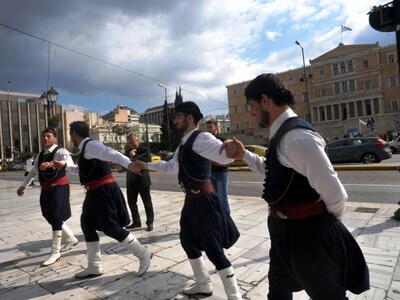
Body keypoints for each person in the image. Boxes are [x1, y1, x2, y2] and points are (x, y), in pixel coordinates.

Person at [220, 73, 370, 300]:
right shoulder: (281, 132)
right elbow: (273, 170)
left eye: (251, 105)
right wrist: (244, 154)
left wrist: (325, 230)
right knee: (279, 292)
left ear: (265, 100)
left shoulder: (297, 138)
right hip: (284, 234)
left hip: (308, 236)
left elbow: (335, 193)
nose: (251, 112)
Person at [131, 101, 242, 299]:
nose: (174, 120)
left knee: (213, 249)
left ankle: (234, 295)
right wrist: (145, 165)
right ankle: (203, 285)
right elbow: (172, 167)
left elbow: (226, 158)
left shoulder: (202, 138)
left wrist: (230, 148)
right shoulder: (185, 141)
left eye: (178, 117)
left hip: (204, 201)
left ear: (189, 118)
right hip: (191, 201)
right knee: (188, 241)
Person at [52, 121, 151, 278]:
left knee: (110, 228)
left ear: (75, 134)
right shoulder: (85, 149)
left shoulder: (90, 145)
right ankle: (94, 265)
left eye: (71, 134)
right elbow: (83, 171)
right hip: (94, 192)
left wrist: (129, 164)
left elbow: (111, 153)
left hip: (103, 191)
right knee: (87, 224)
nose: (70, 138)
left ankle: (142, 253)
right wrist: (63, 166)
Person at [16, 128, 78, 266]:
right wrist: (23, 186)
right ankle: (71, 239)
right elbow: (33, 171)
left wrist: (52, 164)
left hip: (59, 188)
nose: (45, 139)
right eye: (43, 136)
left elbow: (70, 166)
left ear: (55, 138)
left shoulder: (62, 152)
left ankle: (55, 252)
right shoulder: (41, 154)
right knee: (48, 215)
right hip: (46, 189)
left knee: (56, 217)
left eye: (48, 136)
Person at [125, 134, 154, 231]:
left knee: (147, 203)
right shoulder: (127, 151)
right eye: (129, 142)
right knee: (131, 203)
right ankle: (136, 222)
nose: (131, 144)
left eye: (132, 142)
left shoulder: (144, 150)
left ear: (138, 141)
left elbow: (148, 162)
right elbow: (125, 163)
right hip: (131, 181)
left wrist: (135, 156)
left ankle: (149, 222)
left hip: (142, 180)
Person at [206, 118, 230, 214]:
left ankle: (226, 218)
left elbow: (228, 159)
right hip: (211, 173)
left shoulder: (222, 141)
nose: (209, 129)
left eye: (211, 127)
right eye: (207, 127)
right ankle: (219, 216)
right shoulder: (207, 143)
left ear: (215, 127)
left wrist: (212, 162)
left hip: (221, 173)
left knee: (222, 195)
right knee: (214, 195)